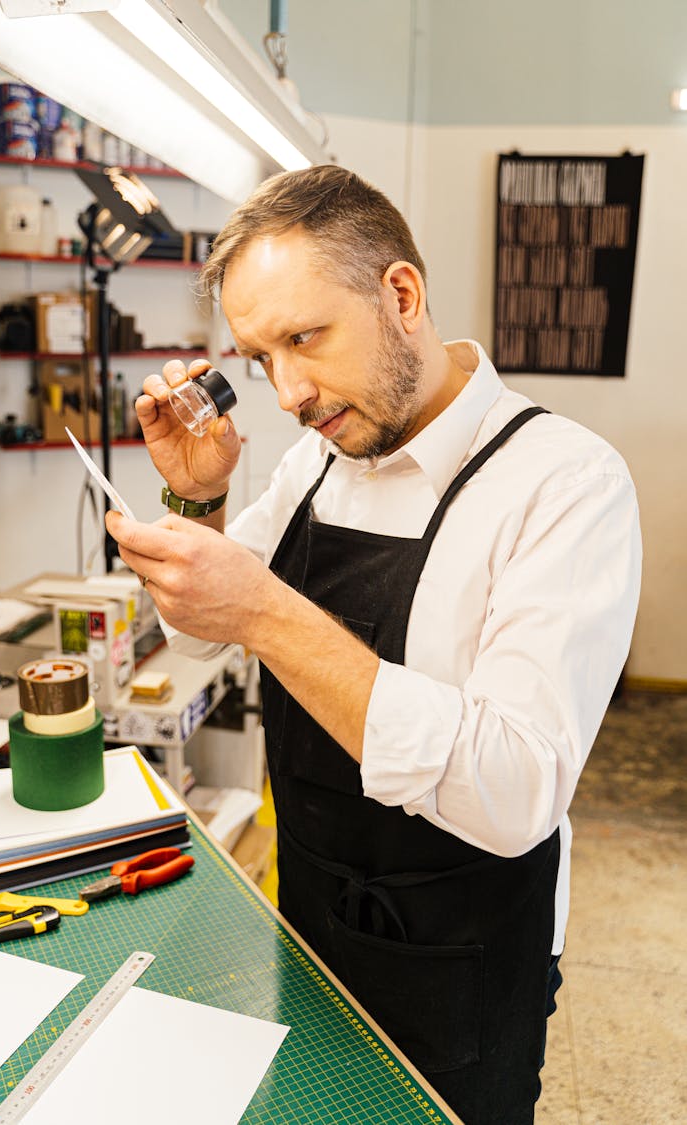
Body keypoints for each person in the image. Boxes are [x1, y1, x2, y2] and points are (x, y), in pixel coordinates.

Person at [106, 165, 641, 1124]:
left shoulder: (565, 484)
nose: (289, 393)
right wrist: (201, 498)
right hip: (306, 916)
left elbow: (516, 788)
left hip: (463, 963)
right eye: (262, 357)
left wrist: (268, 611)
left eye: (304, 338)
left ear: (401, 293)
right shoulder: (320, 461)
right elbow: (196, 634)